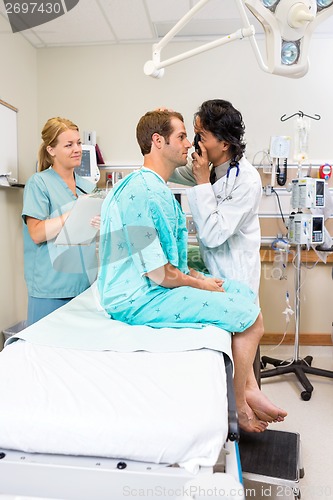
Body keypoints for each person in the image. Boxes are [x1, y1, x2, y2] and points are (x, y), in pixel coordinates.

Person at [98, 110, 287, 433]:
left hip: (169, 280)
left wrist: (196, 278)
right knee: (248, 313)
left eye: (197, 136)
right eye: (184, 136)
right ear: (158, 141)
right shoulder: (141, 191)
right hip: (137, 296)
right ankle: (240, 401)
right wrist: (197, 283)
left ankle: (247, 391)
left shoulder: (159, 188)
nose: (191, 144)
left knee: (245, 300)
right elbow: (158, 272)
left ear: (224, 143)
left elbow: (171, 259)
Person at [170, 99, 262, 296]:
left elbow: (213, 235)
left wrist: (203, 182)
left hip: (236, 275)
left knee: (244, 326)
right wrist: (163, 129)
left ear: (225, 143)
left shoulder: (247, 181)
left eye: (201, 137)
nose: (195, 144)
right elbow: (168, 169)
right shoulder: (210, 167)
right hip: (213, 273)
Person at [22, 117, 98, 326]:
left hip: (84, 286)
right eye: (69, 144)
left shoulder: (87, 188)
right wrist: (72, 214)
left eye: (79, 143)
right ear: (51, 150)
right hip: (51, 289)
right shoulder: (39, 184)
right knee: (45, 352)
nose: (77, 149)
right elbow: (36, 233)